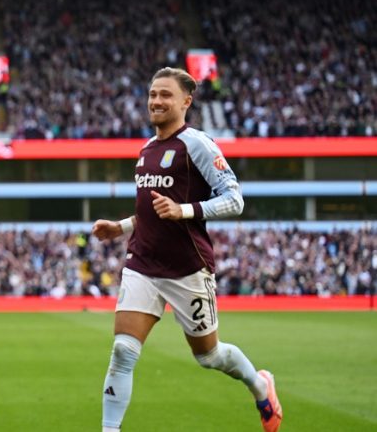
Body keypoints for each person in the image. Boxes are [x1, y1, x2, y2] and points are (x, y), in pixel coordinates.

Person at [91, 67, 282, 432]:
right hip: (142, 264)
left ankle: (259, 384)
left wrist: (186, 211)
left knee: (209, 356)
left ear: (186, 102)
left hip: (187, 268)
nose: (156, 101)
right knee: (123, 352)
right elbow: (153, 211)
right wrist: (122, 227)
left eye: (165, 95)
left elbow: (235, 199)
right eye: (152, 94)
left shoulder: (197, 144)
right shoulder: (147, 149)